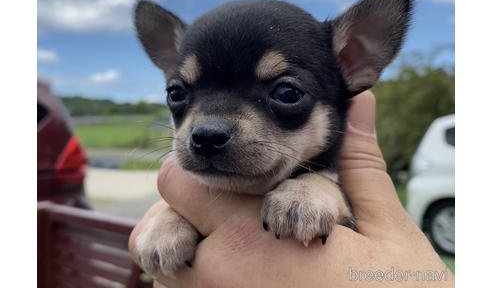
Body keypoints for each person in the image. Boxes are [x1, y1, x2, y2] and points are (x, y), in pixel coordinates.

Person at [129, 91, 454, 287]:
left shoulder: (330, 178)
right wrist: (174, 217)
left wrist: (322, 188)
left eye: (285, 93)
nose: (207, 127)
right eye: (179, 95)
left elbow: (341, 200)